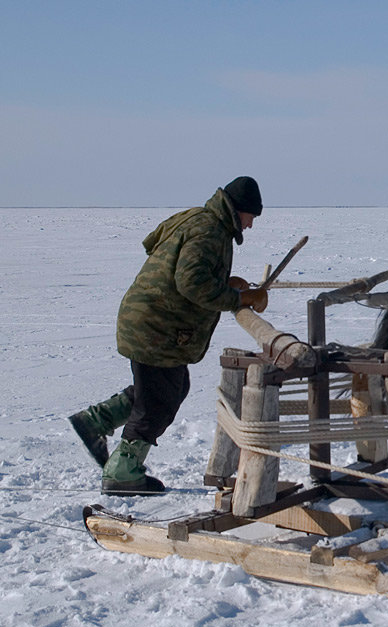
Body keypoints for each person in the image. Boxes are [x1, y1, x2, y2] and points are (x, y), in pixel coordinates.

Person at [70, 177, 270, 495]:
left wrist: (225, 281)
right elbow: (190, 282)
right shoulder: (210, 230)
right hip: (156, 326)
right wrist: (239, 299)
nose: (250, 226)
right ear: (241, 210)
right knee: (158, 399)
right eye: (252, 217)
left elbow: (167, 255)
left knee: (171, 386)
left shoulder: (198, 218)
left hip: (150, 320)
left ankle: (96, 421)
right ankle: (122, 472)